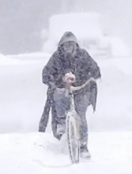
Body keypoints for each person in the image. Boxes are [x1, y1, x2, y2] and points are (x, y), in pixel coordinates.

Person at [41, 31, 101, 159]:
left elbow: (95, 69)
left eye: (71, 44)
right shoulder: (57, 57)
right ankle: (61, 124)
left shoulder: (83, 55)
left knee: (81, 116)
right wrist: (56, 81)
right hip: (63, 89)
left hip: (81, 90)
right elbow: (46, 73)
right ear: (61, 46)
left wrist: (92, 77)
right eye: (65, 45)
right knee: (58, 97)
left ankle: (83, 146)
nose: (68, 47)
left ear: (75, 45)